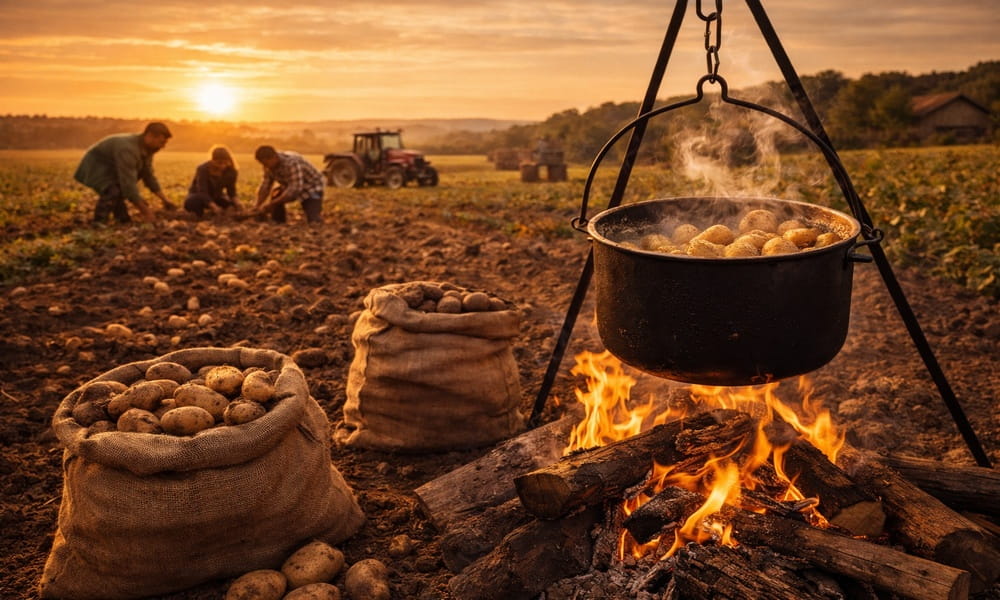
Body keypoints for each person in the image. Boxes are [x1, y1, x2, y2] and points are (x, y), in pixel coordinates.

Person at [74, 122, 176, 224]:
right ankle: (99, 222)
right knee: (113, 190)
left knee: (118, 190)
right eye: (161, 142)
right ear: (150, 136)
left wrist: (164, 200)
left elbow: (148, 176)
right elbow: (128, 183)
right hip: (96, 166)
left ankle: (123, 220)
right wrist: (146, 211)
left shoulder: (147, 149)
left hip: (111, 167)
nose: (163, 146)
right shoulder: (128, 149)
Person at [253, 145, 324, 224]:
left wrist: (272, 204)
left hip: (312, 188)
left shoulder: (291, 163)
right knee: (276, 194)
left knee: (313, 220)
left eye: (266, 163)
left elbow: (295, 189)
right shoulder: (268, 167)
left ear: (274, 157)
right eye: (262, 164)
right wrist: (257, 205)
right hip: (291, 185)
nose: (265, 166)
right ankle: (278, 221)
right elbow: (265, 186)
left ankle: (316, 218)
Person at [184, 145, 241, 218]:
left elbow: (231, 191)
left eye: (225, 163)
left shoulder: (231, 171)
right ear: (212, 161)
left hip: (217, 196)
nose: (222, 166)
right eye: (219, 163)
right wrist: (214, 206)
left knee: (231, 205)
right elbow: (202, 191)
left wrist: (238, 203)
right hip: (198, 195)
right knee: (192, 203)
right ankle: (199, 217)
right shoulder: (203, 169)